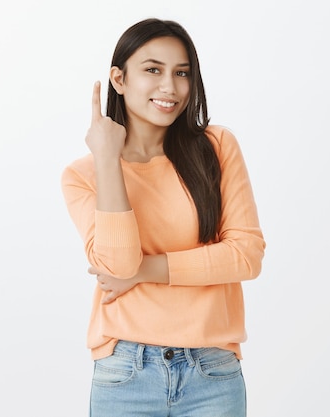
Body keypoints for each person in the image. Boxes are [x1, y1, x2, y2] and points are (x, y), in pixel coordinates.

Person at [60, 18, 266, 416]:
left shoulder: (216, 147)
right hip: (125, 373)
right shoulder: (82, 176)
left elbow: (246, 255)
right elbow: (117, 263)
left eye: (182, 73)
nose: (170, 87)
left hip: (212, 372)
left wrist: (143, 271)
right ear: (119, 79)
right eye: (153, 70)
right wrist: (107, 159)